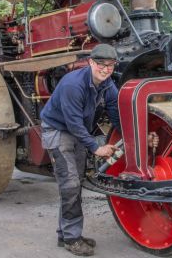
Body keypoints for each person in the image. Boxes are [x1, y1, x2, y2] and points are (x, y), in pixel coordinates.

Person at [39, 44, 121, 256]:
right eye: (101, 64)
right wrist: (96, 147)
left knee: (74, 184)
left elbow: (116, 114)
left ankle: (65, 234)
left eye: (111, 66)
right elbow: (74, 123)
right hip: (58, 130)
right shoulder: (73, 85)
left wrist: (133, 135)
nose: (106, 69)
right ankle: (72, 239)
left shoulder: (108, 84)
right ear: (91, 62)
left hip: (78, 131)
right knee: (71, 184)